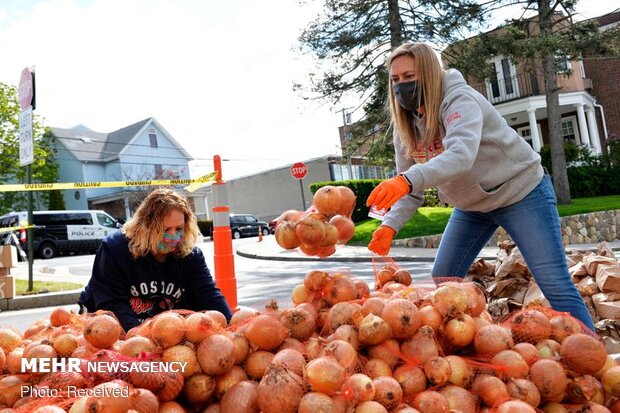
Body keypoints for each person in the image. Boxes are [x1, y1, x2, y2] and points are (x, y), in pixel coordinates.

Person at [366, 42, 595, 331]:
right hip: (472, 207)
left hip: (520, 193)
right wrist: (389, 225)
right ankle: (470, 335)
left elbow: (460, 155)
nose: (402, 86)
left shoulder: (458, 99)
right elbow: (410, 189)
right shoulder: (407, 125)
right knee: (444, 277)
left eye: (409, 77)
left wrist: (407, 179)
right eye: (395, 80)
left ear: (429, 74)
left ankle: (595, 358)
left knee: (554, 282)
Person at [78, 188, 233, 331]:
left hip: (164, 332)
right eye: (164, 230)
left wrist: (231, 325)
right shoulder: (115, 248)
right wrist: (140, 339)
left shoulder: (190, 256)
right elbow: (112, 304)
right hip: (110, 326)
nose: (173, 236)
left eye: (179, 229)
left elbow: (208, 293)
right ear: (145, 227)